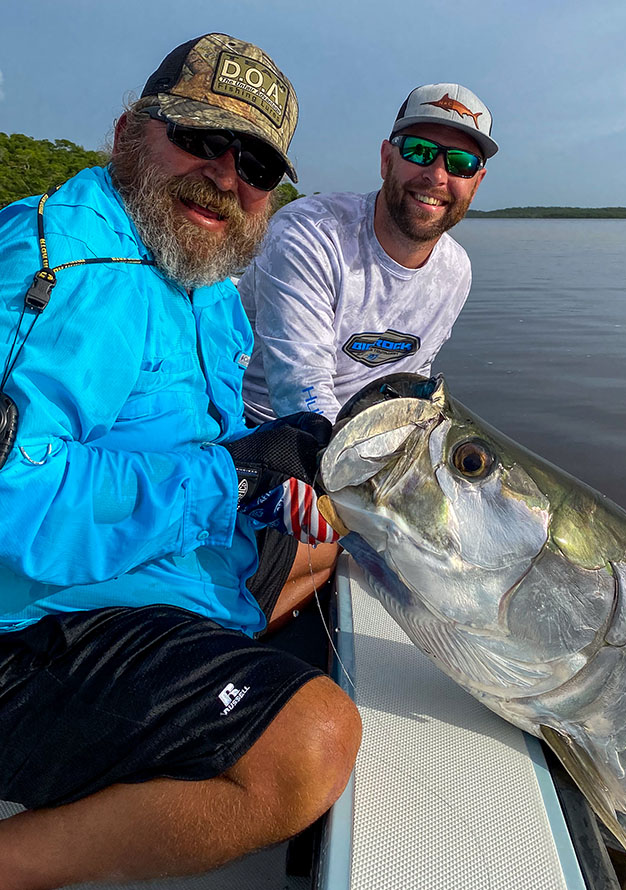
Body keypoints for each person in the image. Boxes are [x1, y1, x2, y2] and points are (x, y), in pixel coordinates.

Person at [0, 33, 360, 889]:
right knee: (312, 747)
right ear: (130, 134)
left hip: (162, 574)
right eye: (201, 140)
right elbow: (13, 505)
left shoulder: (202, 277)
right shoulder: (61, 265)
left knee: (328, 542)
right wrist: (237, 474)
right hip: (36, 623)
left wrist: (270, 489)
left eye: (258, 166)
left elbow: (190, 445)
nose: (227, 177)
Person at [237, 82, 497, 605]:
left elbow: (412, 395)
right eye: (420, 152)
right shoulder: (311, 233)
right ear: (387, 158)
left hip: (357, 449)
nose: (437, 175)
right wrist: (367, 505)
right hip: (257, 431)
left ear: (477, 181)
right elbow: (301, 392)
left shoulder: (457, 272)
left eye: (461, 162)